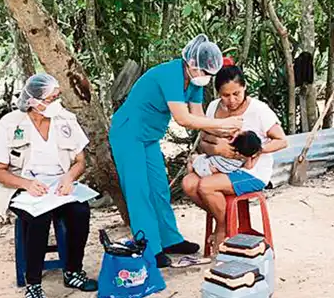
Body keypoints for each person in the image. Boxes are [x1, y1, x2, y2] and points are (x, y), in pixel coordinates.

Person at [109, 34, 242, 268]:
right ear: (191, 63)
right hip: (128, 133)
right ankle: (149, 247)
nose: (206, 78)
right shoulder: (170, 74)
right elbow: (183, 119)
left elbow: (199, 117)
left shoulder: (194, 81)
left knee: (159, 187)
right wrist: (222, 125)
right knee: (139, 190)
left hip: (149, 136)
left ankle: (170, 239)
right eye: (204, 72)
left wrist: (224, 134)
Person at [0, 73, 95, 298]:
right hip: (23, 188)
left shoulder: (65, 119)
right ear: (34, 101)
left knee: (80, 211)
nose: (56, 102)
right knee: (39, 218)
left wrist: (69, 177)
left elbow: (80, 160)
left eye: (57, 96)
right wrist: (25, 184)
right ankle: (33, 283)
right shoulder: (10, 123)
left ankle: (73, 271)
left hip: (59, 186)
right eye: (51, 97)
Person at [182, 63, 288, 253]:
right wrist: (217, 150)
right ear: (217, 93)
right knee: (189, 184)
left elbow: (281, 141)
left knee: (206, 186)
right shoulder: (214, 108)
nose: (231, 100)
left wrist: (256, 151)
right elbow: (203, 141)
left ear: (245, 87)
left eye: (236, 94)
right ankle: (224, 220)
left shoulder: (259, 110)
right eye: (225, 95)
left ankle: (222, 229)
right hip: (220, 164)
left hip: (251, 172)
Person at [188, 130, 262, 178]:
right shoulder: (241, 159)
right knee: (213, 166)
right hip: (212, 172)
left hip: (204, 166)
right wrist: (256, 155)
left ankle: (190, 172)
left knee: (192, 158)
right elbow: (249, 166)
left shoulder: (227, 149)